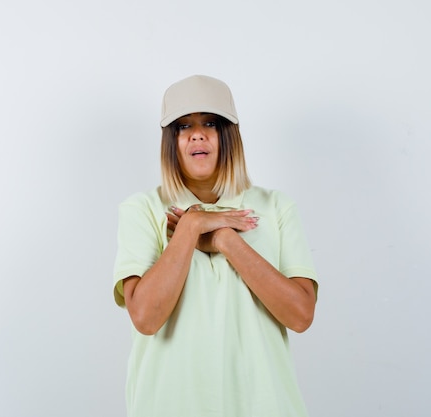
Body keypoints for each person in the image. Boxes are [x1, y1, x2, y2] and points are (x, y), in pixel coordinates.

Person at [113, 74, 319, 417]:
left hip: (263, 406)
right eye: (183, 126)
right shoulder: (142, 210)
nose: (197, 134)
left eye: (210, 122)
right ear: (170, 140)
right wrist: (192, 226)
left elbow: (300, 315)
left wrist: (225, 240)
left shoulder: (276, 207)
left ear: (229, 135)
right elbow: (146, 318)